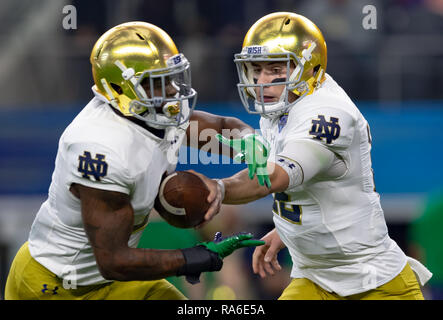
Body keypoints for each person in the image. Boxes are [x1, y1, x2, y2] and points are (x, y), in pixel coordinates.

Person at [4, 21, 265, 300]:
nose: (171, 91)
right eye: (157, 83)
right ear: (119, 88)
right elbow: (114, 261)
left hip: (111, 280)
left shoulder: (152, 112)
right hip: (57, 283)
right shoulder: (99, 148)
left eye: (171, 78)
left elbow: (221, 127)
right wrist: (194, 257)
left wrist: (250, 140)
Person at [205, 12, 433, 300]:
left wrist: (219, 188)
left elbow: (274, 177)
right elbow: (316, 189)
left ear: (310, 69)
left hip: (373, 280)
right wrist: (285, 231)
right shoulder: (285, 103)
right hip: (314, 276)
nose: (262, 81)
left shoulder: (328, 114)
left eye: (275, 69)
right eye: (256, 69)